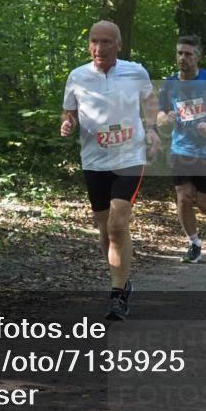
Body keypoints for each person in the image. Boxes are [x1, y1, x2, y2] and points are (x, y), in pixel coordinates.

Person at [61, 21, 160, 321]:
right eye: (94, 41)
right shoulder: (77, 76)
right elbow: (69, 111)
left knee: (118, 224)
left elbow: (150, 99)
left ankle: (117, 295)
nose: (99, 48)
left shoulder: (135, 71)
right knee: (105, 230)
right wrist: (68, 123)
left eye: (106, 42)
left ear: (118, 44)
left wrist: (153, 128)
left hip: (130, 156)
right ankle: (123, 279)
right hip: (94, 161)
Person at [157, 35, 206, 264]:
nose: (182, 58)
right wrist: (165, 119)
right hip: (181, 148)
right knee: (183, 198)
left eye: (188, 54)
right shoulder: (170, 84)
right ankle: (193, 243)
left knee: (203, 201)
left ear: (197, 57)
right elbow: (160, 114)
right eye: (180, 53)